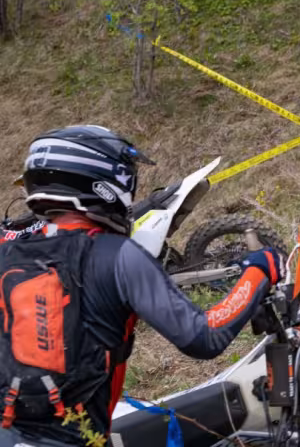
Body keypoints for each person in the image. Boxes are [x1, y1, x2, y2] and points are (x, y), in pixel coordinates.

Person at [0, 125, 284, 447]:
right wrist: (259, 271)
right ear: (103, 182)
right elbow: (204, 337)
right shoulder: (117, 254)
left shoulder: (6, 252)